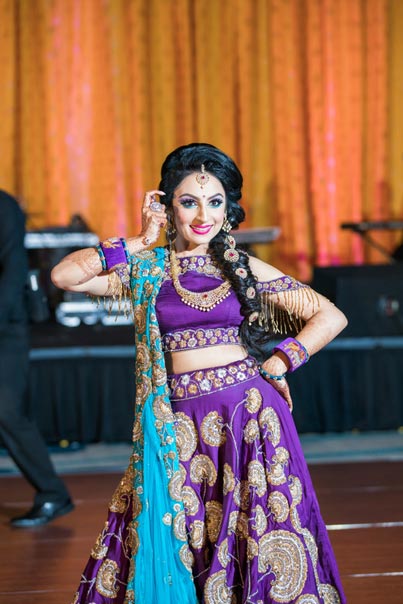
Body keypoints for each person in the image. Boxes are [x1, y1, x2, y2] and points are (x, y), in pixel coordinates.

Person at [52, 143, 347, 604]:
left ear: (228, 210)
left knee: (256, 538)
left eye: (215, 203)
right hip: (177, 427)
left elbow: (329, 316)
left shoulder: (243, 268)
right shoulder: (147, 271)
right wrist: (138, 240)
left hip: (250, 421)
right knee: (183, 536)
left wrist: (280, 360)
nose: (202, 215)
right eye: (188, 201)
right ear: (168, 205)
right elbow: (65, 276)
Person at [0, 190, 74, 527]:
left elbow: (13, 272)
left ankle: (52, 494)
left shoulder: (4, 206)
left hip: (5, 326)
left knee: (8, 412)